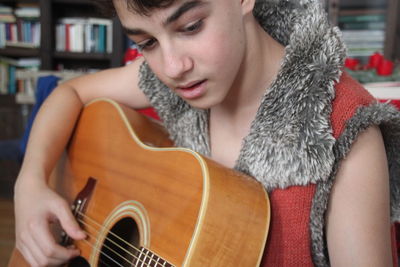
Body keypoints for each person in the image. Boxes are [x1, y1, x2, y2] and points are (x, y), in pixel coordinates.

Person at [13, 0, 400, 266]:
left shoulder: (343, 134)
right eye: (145, 43)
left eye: (191, 26)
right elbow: (71, 92)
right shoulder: (172, 79)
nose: (171, 66)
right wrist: (30, 183)